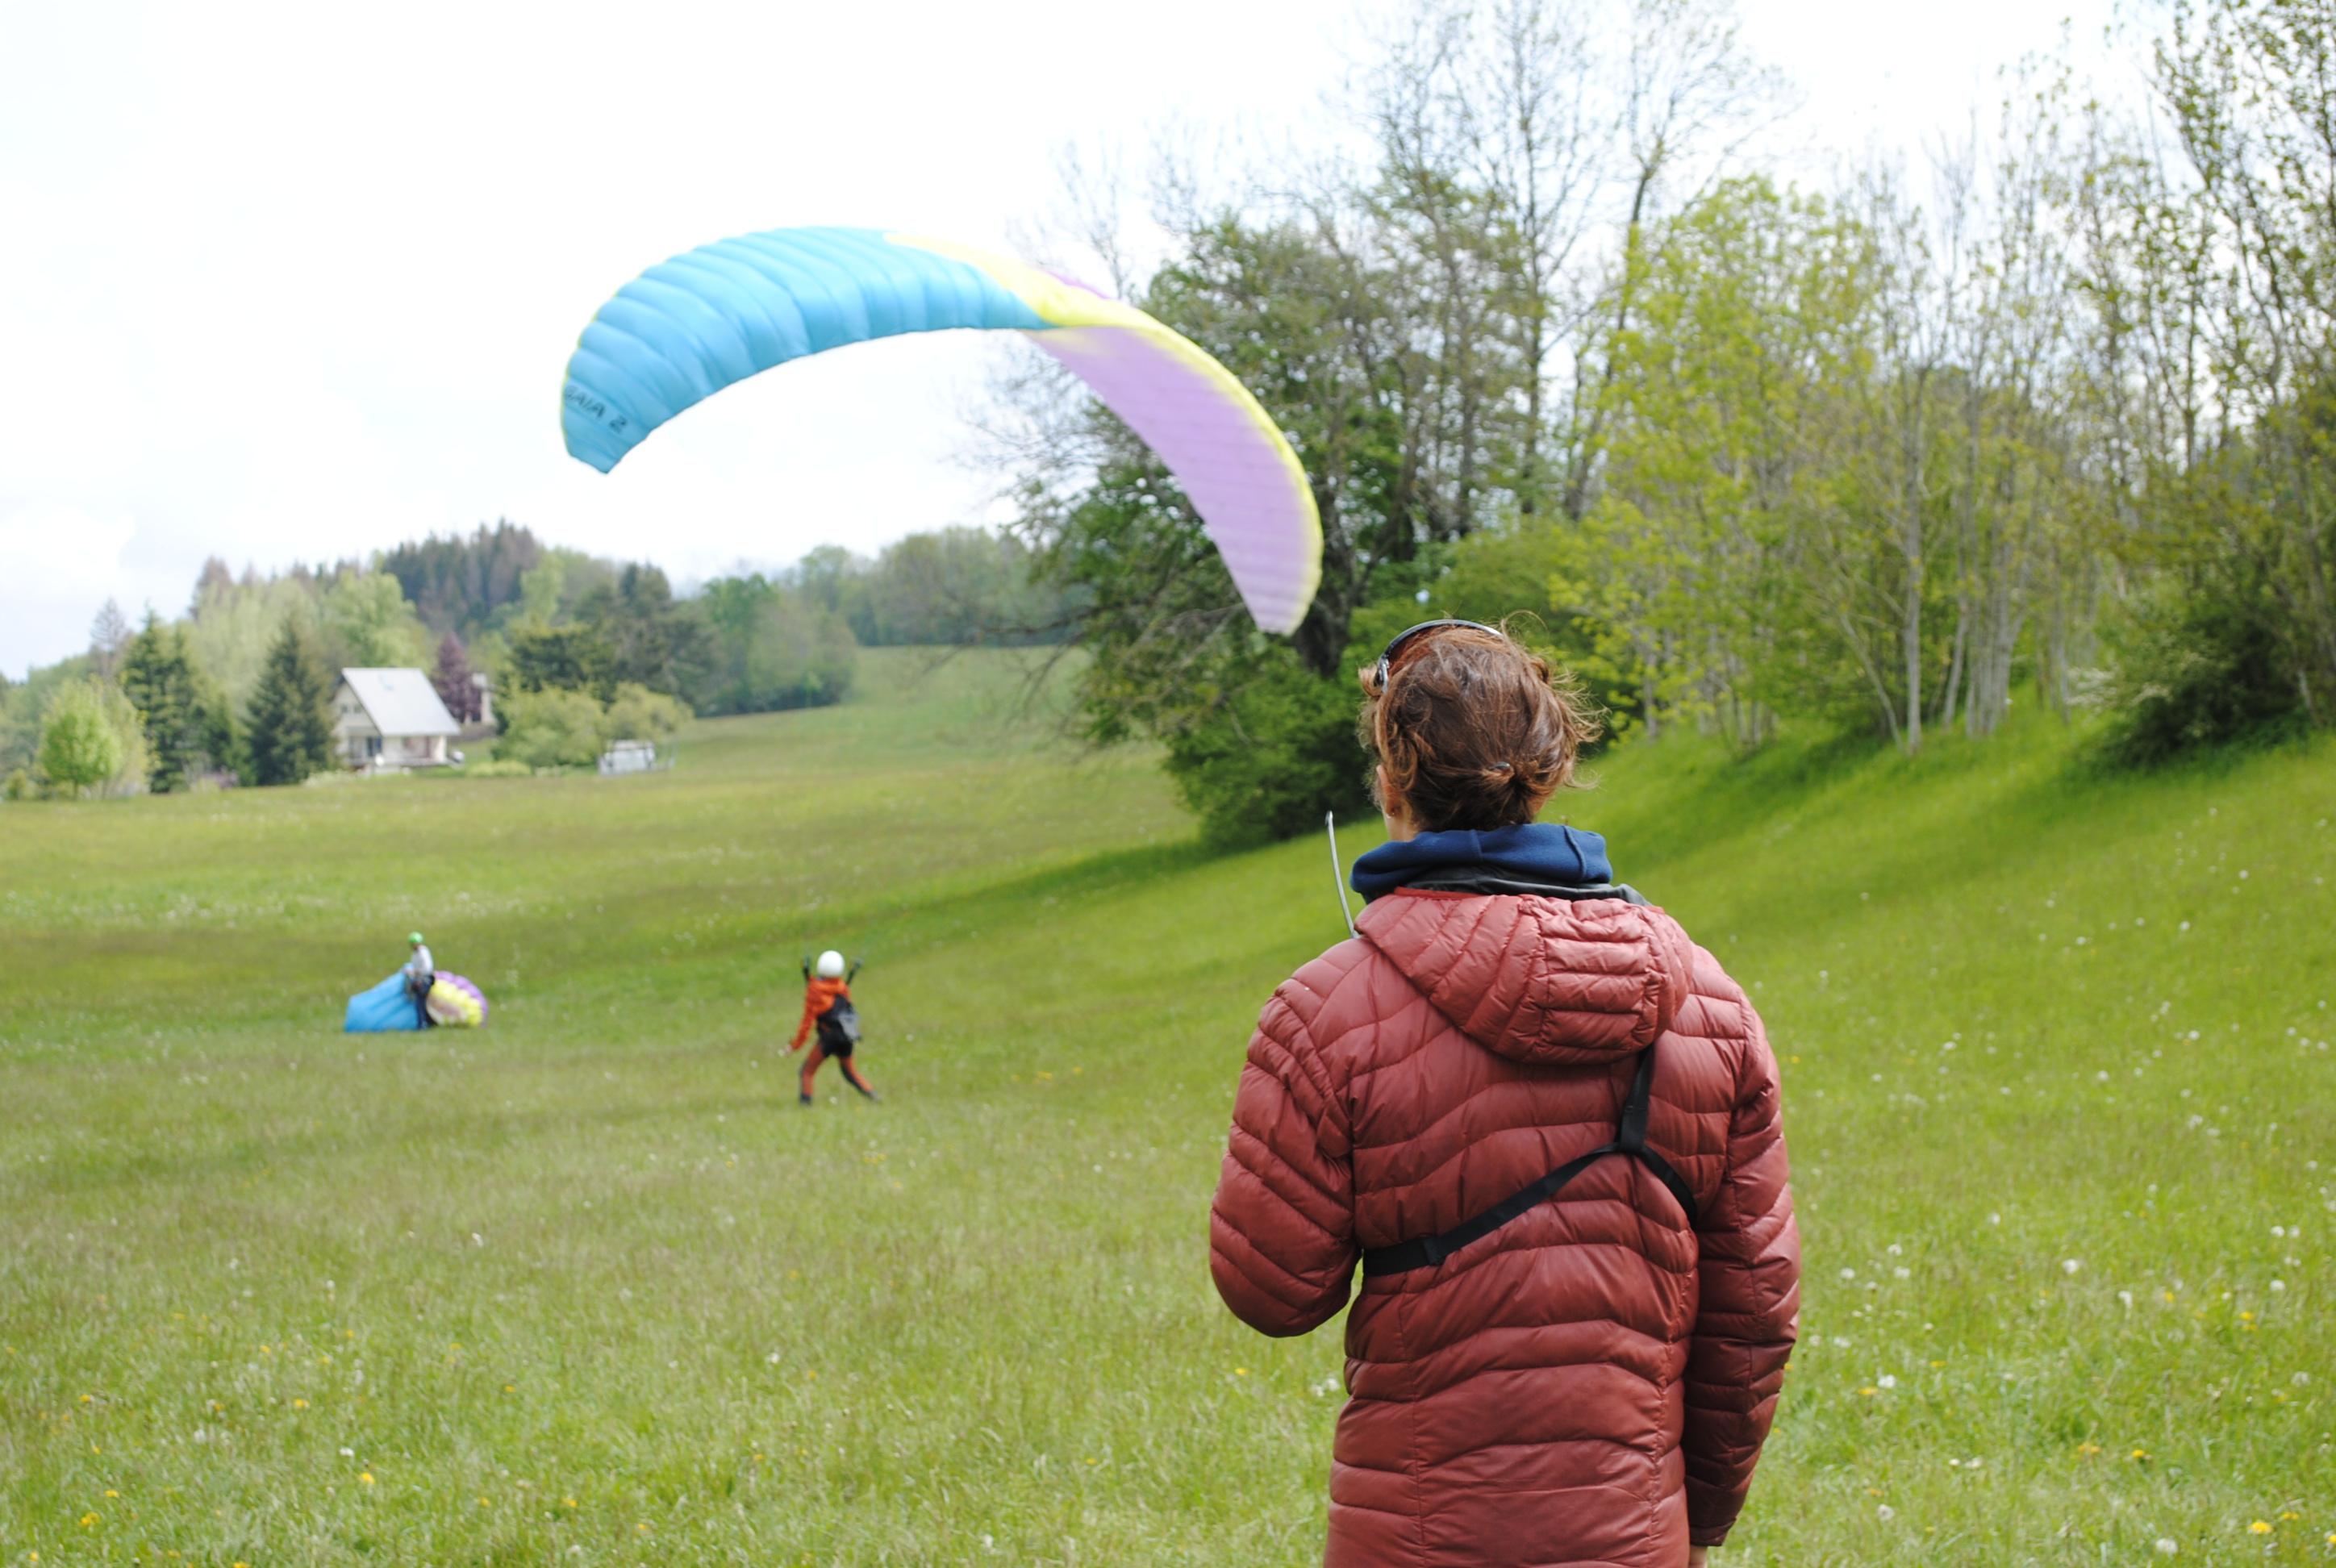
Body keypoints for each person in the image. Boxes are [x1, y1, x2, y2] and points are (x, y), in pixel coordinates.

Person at [1208, 620, 1800, 1568]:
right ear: (1549, 769)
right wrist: (1695, 1526)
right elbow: (1756, 1313)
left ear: (1391, 780)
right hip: (1635, 1539)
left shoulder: (1323, 1010)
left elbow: (1272, 1290)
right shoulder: (1711, 1006)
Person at [791, 949, 876, 1105]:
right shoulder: (842, 988)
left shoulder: (815, 991)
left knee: (807, 1071)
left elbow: (807, 1022)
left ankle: (805, 1105)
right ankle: (873, 1096)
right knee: (849, 1072)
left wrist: (794, 1046)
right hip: (847, 1035)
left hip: (830, 1037)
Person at [403, 932, 436, 1029]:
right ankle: (424, 1023)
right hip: (420, 979)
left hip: (425, 980)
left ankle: (422, 1025)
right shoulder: (415, 954)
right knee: (420, 1003)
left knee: (421, 1003)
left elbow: (427, 968)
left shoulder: (423, 953)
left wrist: (413, 972)